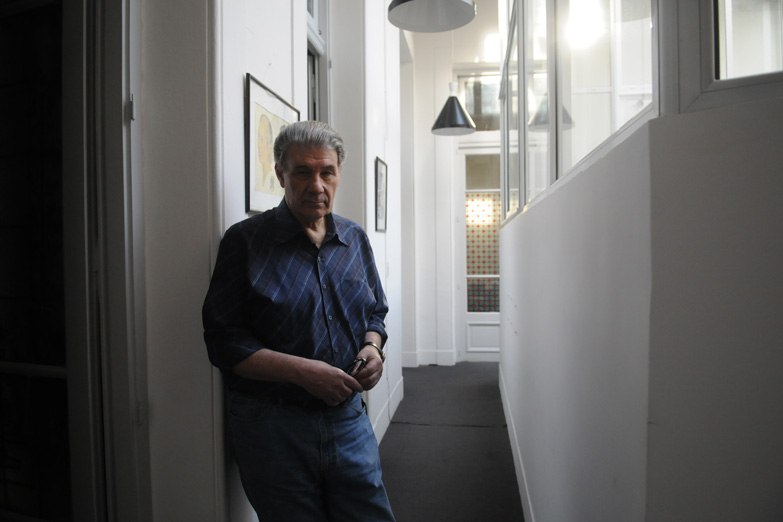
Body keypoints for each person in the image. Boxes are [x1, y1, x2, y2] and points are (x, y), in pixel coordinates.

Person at [202, 120, 396, 521]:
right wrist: (304, 372)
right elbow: (223, 341)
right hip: (272, 424)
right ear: (280, 174)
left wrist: (372, 347)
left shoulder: (354, 239)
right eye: (303, 172)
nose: (317, 185)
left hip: (347, 416)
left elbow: (375, 311)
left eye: (327, 172)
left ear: (338, 174)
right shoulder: (245, 242)